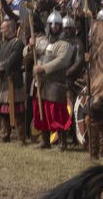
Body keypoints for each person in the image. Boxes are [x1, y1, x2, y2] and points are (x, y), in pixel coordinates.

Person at [32, 12, 78, 149]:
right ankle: (45, 141)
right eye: (52, 24)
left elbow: (62, 61)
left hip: (55, 83)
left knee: (57, 114)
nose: (54, 27)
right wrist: (30, 46)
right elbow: (27, 54)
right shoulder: (42, 41)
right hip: (40, 82)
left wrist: (42, 68)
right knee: (41, 113)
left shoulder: (65, 44)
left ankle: (63, 142)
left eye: (57, 25)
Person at [0, 18, 30, 143]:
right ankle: (5, 135)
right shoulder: (5, 44)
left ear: (10, 29)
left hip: (13, 80)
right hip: (2, 80)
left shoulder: (17, 43)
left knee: (17, 111)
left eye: (3, 28)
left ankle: (21, 137)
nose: (1, 30)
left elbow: (11, 62)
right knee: (2, 110)